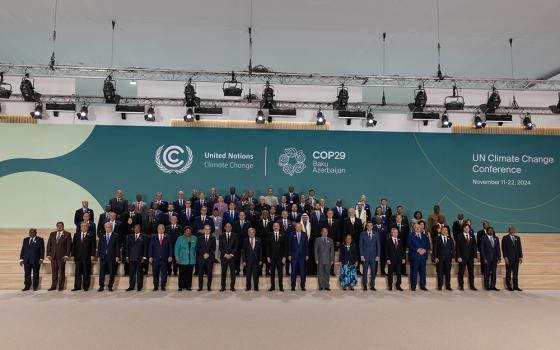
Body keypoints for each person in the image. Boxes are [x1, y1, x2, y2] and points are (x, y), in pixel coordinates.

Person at [46, 222, 72, 291]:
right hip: (53, 257)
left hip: (62, 257)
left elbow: (69, 246)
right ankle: (53, 286)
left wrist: (67, 255)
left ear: (63, 226)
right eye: (58, 226)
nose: (59, 227)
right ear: (56, 226)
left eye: (61, 226)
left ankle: (61, 286)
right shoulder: (52, 234)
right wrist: (48, 254)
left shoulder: (67, 234)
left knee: (61, 272)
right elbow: (49, 244)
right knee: (54, 272)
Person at [72, 222, 96, 291]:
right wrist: (73, 255)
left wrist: (92, 255)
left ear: (87, 227)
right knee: (77, 272)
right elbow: (74, 246)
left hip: (87, 256)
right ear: (80, 227)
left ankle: (86, 286)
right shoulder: (76, 235)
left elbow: (93, 246)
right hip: (78, 256)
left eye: (85, 226)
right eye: (82, 226)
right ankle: (77, 286)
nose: (84, 227)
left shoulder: (91, 235)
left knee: (86, 272)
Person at [98, 222, 120, 292]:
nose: (108, 228)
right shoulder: (102, 235)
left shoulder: (116, 235)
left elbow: (117, 247)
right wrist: (99, 256)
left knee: (112, 272)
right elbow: (99, 246)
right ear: (105, 228)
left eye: (109, 227)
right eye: (106, 227)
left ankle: (110, 286)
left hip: (112, 257)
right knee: (102, 272)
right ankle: (101, 286)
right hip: (103, 257)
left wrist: (117, 256)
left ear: (112, 228)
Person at [455, 223, 478, 291]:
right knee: (461, 272)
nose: (467, 229)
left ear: (469, 229)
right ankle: (461, 285)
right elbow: (458, 247)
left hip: (471, 258)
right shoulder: (459, 236)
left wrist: (475, 257)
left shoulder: (472, 236)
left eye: (468, 228)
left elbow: (474, 247)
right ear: (463, 229)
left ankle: (472, 285)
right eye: (465, 228)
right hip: (462, 258)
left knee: (471, 273)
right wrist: (458, 256)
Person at [126, 223, 147, 291]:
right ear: (133, 229)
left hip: (140, 258)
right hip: (131, 257)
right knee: (131, 273)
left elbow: (145, 248)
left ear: (140, 229)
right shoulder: (130, 236)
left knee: (139, 273)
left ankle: (139, 286)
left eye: (138, 228)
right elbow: (127, 247)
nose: (136, 229)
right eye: (135, 228)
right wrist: (127, 256)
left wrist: (144, 257)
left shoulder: (143, 236)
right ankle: (131, 286)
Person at [408, 223, 430, 291]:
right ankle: (413, 286)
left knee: (423, 272)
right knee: (414, 272)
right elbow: (409, 244)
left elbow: (428, 244)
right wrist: (417, 250)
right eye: (416, 227)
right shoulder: (410, 235)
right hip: (414, 256)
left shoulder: (424, 236)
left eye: (419, 227)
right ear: (413, 228)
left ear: (421, 228)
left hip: (423, 257)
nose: (417, 228)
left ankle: (423, 286)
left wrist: (425, 250)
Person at [175, 227, 198, 291]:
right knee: (182, 274)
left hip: (191, 259)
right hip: (182, 259)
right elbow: (176, 249)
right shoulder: (180, 238)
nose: (188, 232)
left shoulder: (194, 238)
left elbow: (196, 248)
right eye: (187, 231)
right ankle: (180, 286)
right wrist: (177, 258)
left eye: (189, 231)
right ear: (184, 232)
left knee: (189, 274)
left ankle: (188, 286)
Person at [359, 222, 380, 291]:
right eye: (368, 225)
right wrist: (361, 255)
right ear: (366, 226)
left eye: (371, 225)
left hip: (374, 256)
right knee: (365, 271)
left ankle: (372, 285)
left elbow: (378, 246)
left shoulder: (376, 234)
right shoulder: (362, 234)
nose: (369, 227)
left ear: (372, 226)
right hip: (365, 256)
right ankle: (364, 285)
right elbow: (361, 245)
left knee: (373, 271)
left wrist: (378, 255)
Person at [502, 226, 523, 291]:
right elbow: (503, 248)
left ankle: (516, 286)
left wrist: (520, 256)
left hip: (516, 259)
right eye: (512, 230)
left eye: (514, 230)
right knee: (508, 272)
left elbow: (520, 248)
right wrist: (505, 257)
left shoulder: (517, 238)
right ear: (509, 231)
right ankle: (509, 286)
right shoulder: (505, 238)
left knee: (515, 273)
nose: (513, 231)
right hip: (509, 259)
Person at [267, 222, 287, 291]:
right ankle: (272, 286)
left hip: (280, 257)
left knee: (280, 273)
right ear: (273, 227)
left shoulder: (283, 234)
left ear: (279, 227)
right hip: (272, 257)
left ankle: (281, 286)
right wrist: (268, 256)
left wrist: (284, 257)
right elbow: (267, 246)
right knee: (272, 273)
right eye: (274, 226)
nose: (276, 227)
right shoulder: (269, 235)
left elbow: (285, 247)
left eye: (277, 226)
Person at [289, 223, 309, 291]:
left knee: (302, 272)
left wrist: (307, 254)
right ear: (295, 228)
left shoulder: (304, 234)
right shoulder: (292, 234)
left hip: (302, 257)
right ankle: (293, 286)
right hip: (294, 256)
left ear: (301, 228)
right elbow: (289, 245)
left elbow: (306, 245)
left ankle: (303, 286)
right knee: (293, 272)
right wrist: (289, 255)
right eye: (297, 227)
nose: (298, 228)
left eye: (300, 227)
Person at [480, 227, 501, 291]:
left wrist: (499, 257)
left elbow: (498, 248)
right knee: (486, 273)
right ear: (487, 231)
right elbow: (482, 249)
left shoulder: (496, 238)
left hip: (494, 259)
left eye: (492, 230)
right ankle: (487, 286)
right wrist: (484, 258)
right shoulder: (483, 238)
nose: (491, 231)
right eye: (489, 230)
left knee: (494, 273)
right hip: (487, 259)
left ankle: (493, 286)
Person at [433, 226, 454, 291]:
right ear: (441, 231)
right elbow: (435, 249)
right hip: (439, 258)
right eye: (443, 230)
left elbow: (453, 249)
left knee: (448, 272)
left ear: (448, 232)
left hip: (448, 259)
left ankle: (448, 286)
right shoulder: (437, 238)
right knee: (440, 272)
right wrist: (435, 257)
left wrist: (452, 257)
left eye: (446, 230)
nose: (445, 231)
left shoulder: (450, 239)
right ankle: (440, 286)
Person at [219, 223, 238, 292]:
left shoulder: (235, 235)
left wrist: (231, 254)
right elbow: (220, 247)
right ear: (224, 228)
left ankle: (232, 287)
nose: (228, 228)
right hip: (224, 256)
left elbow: (236, 246)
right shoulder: (221, 236)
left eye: (229, 227)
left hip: (232, 257)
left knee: (233, 272)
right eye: (226, 227)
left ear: (231, 228)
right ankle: (223, 287)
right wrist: (226, 254)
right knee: (223, 272)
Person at [343, 208, 363, 275]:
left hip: (357, 242)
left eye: (352, 212)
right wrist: (345, 241)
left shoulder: (359, 220)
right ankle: (348, 270)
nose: (350, 213)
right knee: (349, 256)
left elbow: (361, 231)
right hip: (348, 242)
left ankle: (357, 270)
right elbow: (344, 232)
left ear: (354, 212)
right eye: (349, 212)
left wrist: (361, 241)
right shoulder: (345, 220)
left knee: (357, 256)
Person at [196, 225, 216, 291]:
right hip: (201, 258)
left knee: (209, 273)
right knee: (200, 273)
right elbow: (198, 248)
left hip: (210, 258)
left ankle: (209, 287)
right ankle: (200, 287)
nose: (207, 230)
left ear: (210, 230)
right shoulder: (200, 238)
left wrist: (208, 254)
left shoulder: (213, 238)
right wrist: (203, 254)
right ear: (204, 230)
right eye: (206, 229)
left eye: (208, 229)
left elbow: (214, 248)